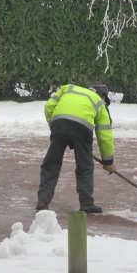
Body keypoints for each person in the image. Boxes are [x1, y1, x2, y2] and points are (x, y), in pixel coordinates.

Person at [36, 82, 115, 214]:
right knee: (85, 167)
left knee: (51, 164)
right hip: (82, 130)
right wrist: (108, 161)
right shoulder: (100, 103)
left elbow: (49, 106)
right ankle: (87, 204)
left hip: (59, 123)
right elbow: (105, 135)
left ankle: (42, 201)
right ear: (104, 97)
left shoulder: (68, 88)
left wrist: (56, 128)